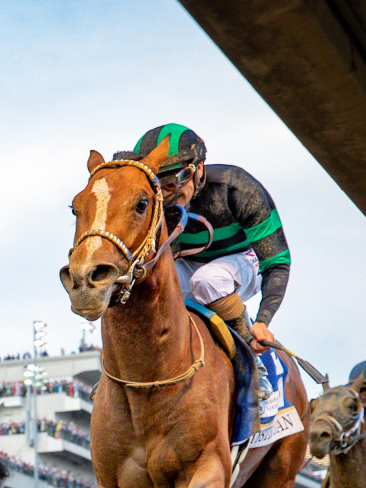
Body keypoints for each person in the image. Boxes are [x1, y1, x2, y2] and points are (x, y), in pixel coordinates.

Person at [119, 124, 290, 403]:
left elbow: (278, 262)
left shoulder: (238, 189)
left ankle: (254, 364)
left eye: (178, 179)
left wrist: (263, 319)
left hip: (243, 262)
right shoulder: (152, 203)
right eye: (159, 183)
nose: (169, 192)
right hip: (187, 262)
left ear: (199, 169)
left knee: (208, 280)